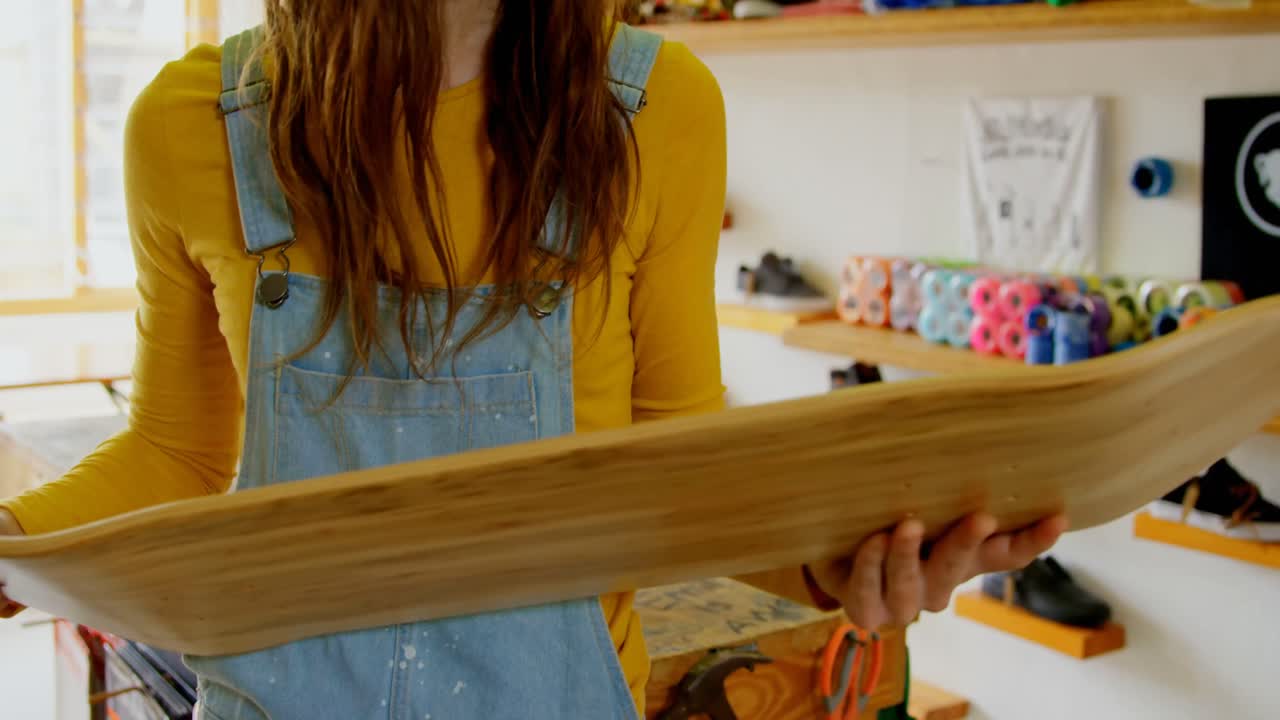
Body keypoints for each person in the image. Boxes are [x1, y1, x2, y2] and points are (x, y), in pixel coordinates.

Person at [0, 2, 1067, 717]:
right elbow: (177, 450)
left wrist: (830, 569)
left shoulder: (651, 115)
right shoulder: (192, 128)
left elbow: (677, 459)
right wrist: (14, 541)